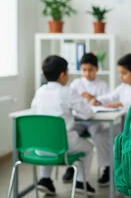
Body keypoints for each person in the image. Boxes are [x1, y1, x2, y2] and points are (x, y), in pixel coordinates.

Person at [31, 55, 96, 196]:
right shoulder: (67, 91)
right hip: (63, 146)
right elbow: (88, 113)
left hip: (39, 147)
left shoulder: (39, 91)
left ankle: (45, 179)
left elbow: (34, 111)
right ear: (62, 75)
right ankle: (80, 182)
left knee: (47, 140)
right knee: (89, 147)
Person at [62, 52, 111, 187]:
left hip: (95, 120)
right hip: (78, 120)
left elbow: (106, 102)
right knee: (71, 134)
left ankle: (107, 168)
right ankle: (71, 166)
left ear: (97, 69)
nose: (87, 73)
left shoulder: (102, 85)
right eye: (84, 70)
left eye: (91, 70)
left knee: (98, 136)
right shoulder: (76, 83)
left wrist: (92, 98)